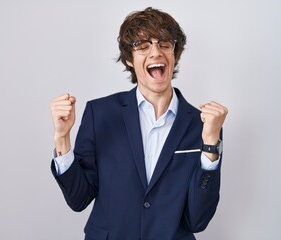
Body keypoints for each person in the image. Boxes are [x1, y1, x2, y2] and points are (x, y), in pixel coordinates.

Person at [49, 7, 228, 240]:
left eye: (164, 44)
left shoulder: (203, 124)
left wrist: (211, 146)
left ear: (175, 54)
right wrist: (62, 138)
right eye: (143, 46)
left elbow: (197, 220)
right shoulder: (100, 113)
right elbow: (78, 199)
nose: (156, 52)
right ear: (128, 59)